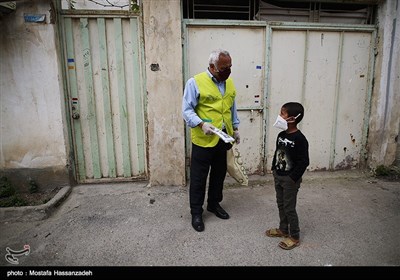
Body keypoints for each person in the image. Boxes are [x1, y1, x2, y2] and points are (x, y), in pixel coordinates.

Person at [182, 49, 240, 232]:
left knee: (219, 174)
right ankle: (196, 213)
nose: (228, 70)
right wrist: (200, 124)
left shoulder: (229, 82)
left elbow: (231, 108)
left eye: (230, 66)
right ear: (212, 66)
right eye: (224, 67)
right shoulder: (195, 82)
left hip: (223, 138)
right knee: (199, 178)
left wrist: (236, 128)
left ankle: (214, 204)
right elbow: (187, 110)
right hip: (204, 139)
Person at [266, 102, 309, 249]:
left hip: (290, 180)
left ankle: (295, 236)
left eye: (282, 114)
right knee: (280, 204)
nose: (279, 116)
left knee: (289, 208)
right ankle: (283, 229)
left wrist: (293, 178)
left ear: (292, 118)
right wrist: (273, 169)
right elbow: (277, 152)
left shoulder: (300, 139)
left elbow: (304, 161)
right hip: (278, 175)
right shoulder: (281, 135)